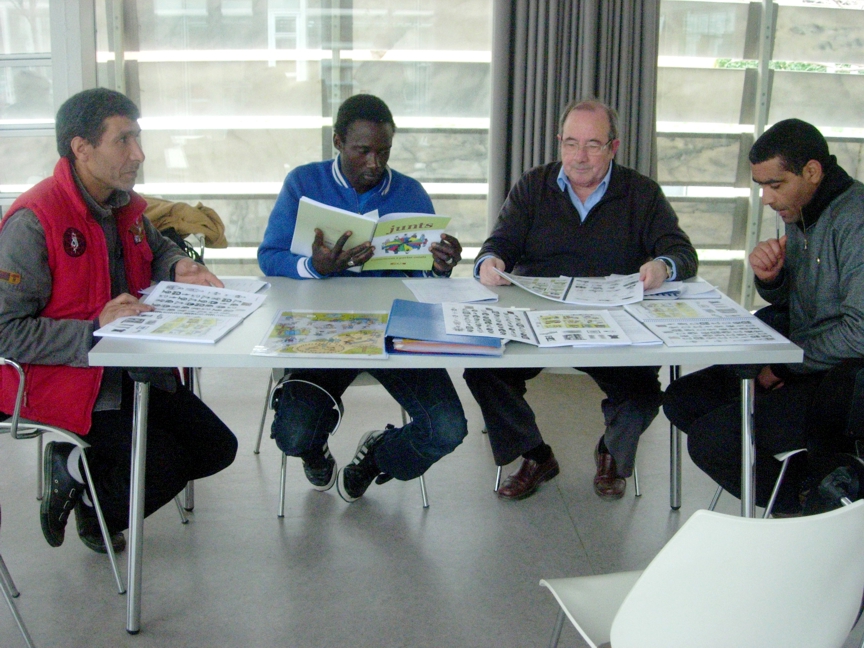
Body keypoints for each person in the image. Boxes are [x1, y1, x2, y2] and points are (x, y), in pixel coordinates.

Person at [0, 88, 238, 553]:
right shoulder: (34, 221)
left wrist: (177, 265)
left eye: (137, 138)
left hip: (130, 366)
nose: (139, 154)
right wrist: (94, 330)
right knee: (163, 464)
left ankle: (84, 486)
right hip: (66, 380)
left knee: (216, 448)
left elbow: (157, 248)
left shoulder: (124, 203)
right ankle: (85, 480)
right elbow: (5, 331)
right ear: (81, 148)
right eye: (123, 140)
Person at [464, 99, 697, 501]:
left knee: (642, 392)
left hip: (612, 321)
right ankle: (536, 456)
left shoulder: (641, 193)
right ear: (559, 142)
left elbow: (682, 253)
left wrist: (663, 266)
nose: (580, 157)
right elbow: (498, 244)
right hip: (538, 318)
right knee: (484, 371)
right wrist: (490, 262)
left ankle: (611, 453)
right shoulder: (534, 186)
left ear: (613, 147)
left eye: (592, 145)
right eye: (570, 144)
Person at [258, 94, 468, 503]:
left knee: (447, 429)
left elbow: (423, 274)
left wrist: (439, 267)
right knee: (293, 433)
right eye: (363, 151)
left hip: (394, 328)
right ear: (338, 142)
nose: (375, 163)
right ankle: (314, 450)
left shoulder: (410, 192)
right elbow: (270, 256)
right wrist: (315, 267)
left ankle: (376, 457)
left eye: (384, 151)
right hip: (322, 328)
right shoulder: (303, 183)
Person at [663, 118, 864, 514]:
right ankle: (814, 486)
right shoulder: (801, 209)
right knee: (682, 400)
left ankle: (816, 506)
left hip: (842, 384)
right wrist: (772, 279)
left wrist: (783, 367)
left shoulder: (855, 221)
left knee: (712, 441)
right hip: (803, 361)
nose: (767, 199)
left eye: (776, 185)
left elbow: (859, 333)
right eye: (761, 187)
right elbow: (802, 304)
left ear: (812, 171)